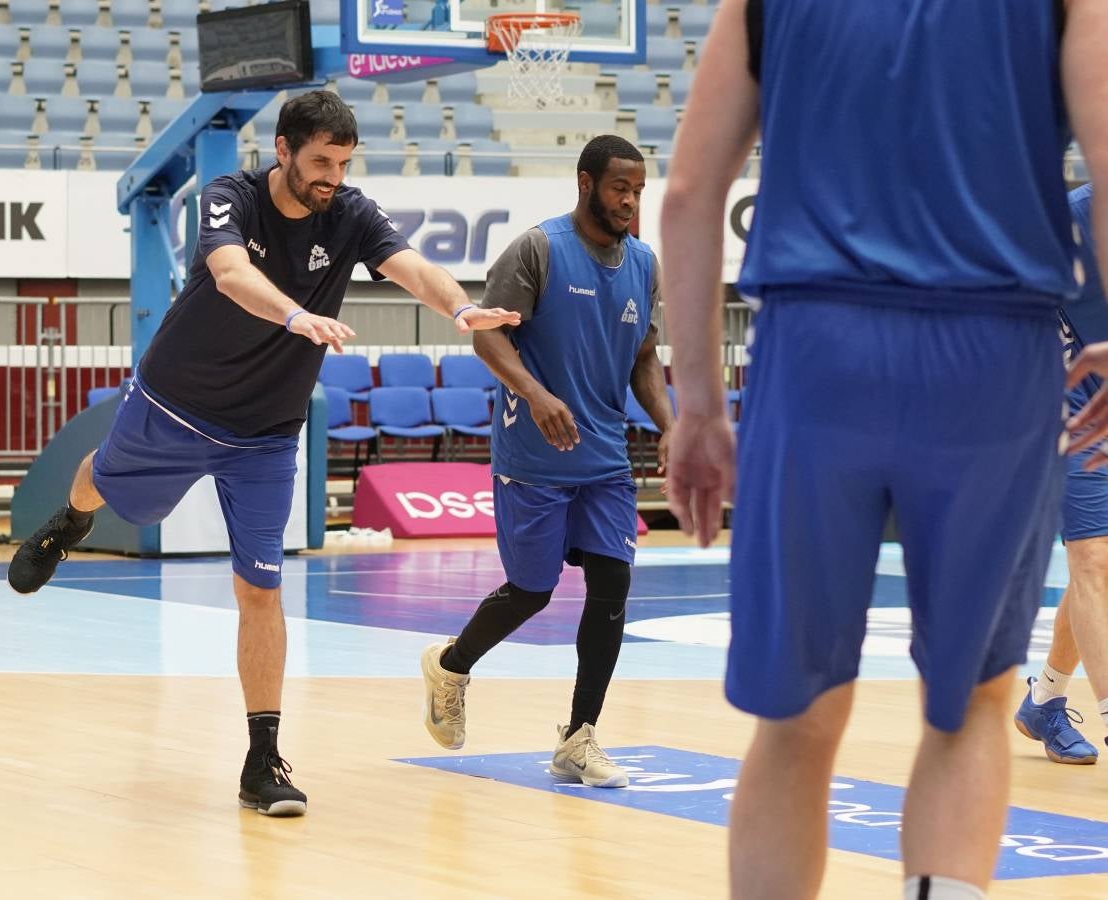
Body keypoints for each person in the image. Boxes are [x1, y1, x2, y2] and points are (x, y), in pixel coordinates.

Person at [659, 2, 1108, 899]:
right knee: (974, 702)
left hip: (817, 352)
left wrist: (699, 404)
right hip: (994, 355)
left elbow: (686, 193)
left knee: (796, 716)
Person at [7, 91, 520, 817]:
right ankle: (68, 523)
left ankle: (261, 757)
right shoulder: (231, 198)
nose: (332, 177)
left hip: (267, 434)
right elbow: (229, 273)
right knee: (107, 486)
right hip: (175, 405)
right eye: (320, 162)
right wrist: (295, 313)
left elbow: (412, 266)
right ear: (283, 151)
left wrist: (462, 309)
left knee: (261, 589)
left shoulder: (349, 213)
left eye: (343, 163)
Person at [420, 135, 672, 788]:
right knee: (532, 591)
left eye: (639, 190)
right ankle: (451, 664)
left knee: (612, 588)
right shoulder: (538, 249)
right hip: (533, 456)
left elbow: (644, 357)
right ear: (586, 183)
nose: (629, 201)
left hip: (606, 462)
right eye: (620, 187)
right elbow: (486, 333)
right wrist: (534, 393)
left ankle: (579, 737)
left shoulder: (643, 263)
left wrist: (671, 424)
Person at [1016, 182, 1106, 766]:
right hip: (1070, 409)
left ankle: (1044, 699)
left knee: (1095, 575)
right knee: (1094, 562)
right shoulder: (1071, 218)